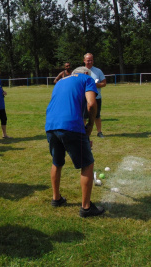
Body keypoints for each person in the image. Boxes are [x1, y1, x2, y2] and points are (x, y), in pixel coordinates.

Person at [45, 66, 105, 217]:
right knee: (87, 164)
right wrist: (90, 126)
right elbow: (91, 104)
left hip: (51, 125)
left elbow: (68, 105)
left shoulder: (60, 82)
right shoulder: (87, 78)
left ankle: (56, 198)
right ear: (85, 73)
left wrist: (84, 138)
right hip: (69, 125)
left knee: (56, 161)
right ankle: (86, 207)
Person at [83, 53, 106, 138]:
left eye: (91, 60)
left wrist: (95, 85)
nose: (90, 62)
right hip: (84, 98)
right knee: (83, 116)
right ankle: (82, 133)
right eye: (88, 60)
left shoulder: (98, 71)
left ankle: (99, 132)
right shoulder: (80, 71)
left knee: (97, 116)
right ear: (84, 60)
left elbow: (104, 83)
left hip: (96, 98)